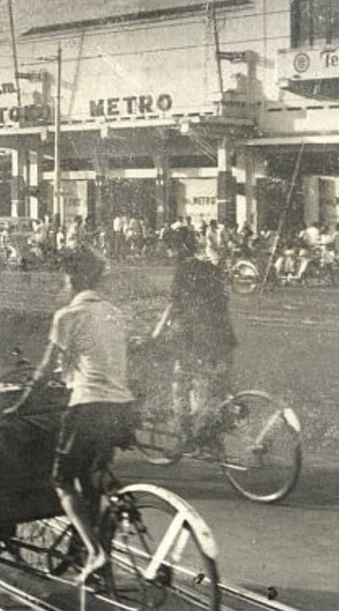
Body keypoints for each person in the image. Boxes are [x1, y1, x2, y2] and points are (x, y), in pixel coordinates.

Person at [27, 247, 134, 578]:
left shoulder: (67, 316)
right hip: (121, 406)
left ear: (71, 278)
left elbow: (45, 370)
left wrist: (24, 401)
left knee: (61, 479)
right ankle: (104, 537)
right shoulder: (115, 312)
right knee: (93, 478)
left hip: (88, 404)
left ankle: (96, 551)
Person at [151, 232, 237, 451]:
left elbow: (172, 307)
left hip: (197, 339)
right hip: (224, 335)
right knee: (216, 386)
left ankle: (186, 438)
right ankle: (213, 437)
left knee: (181, 383)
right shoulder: (211, 269)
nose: (168, 253)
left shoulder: (182, 271)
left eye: (169, 248)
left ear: (176, 249)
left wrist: (155, 335)